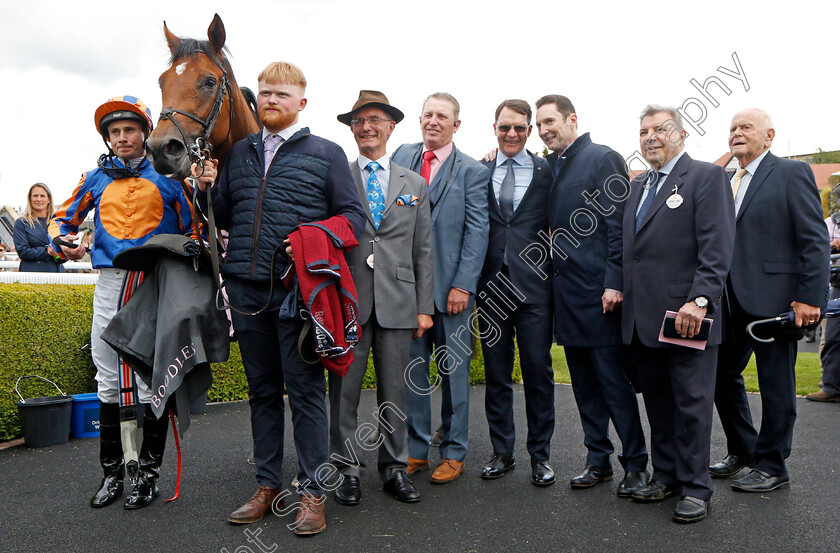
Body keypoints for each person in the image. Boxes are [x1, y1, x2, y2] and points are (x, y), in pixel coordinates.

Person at [201, 62, 364, 535]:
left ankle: (313, 493)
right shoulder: (238, 153)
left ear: (301, 103)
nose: (271, 101)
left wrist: (313, 235)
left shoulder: (327, 152)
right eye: (266, 93)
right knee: (263, 394)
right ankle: (267, 484)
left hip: (299, 294)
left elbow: (352, 220)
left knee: (308, 394)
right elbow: (223, 215)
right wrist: (205, 187)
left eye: (281, 95)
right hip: (246, 290)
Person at [50, 95, 212, 510]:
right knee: (107, 377)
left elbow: (199, 229)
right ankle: (113, 473)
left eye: (129, 130)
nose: (122, 138)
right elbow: (61, 219)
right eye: (114, 132)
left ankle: (148, 474)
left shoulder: (171, 178)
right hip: (108, 282)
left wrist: (202, 188)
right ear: (108, 138)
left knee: (148, 377)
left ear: (144, 134)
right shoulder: (94, 178)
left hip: (153, 283)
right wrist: (62, 243)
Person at [622, 105, 734, 523]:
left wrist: (700, 300)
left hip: (687, 315)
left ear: (682, 134)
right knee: (660, 403)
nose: (651, 137)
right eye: (644, 130)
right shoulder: (638, 187)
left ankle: (696, 487)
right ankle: (666, 475)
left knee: (692, 403)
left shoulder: (706, 177)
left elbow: (717, 246)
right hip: (642, 319)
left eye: (661, 129)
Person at [536, 94, 648, 495]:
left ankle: (635, 464)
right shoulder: (550, 165)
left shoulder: (603, 157)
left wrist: (614, 281)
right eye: (540, 125)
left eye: (551, 121)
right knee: (583, 386)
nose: (545, 130)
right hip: (564, 296)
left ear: (572, 119)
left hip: (600, 296)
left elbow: (620, 226)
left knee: (613, 385)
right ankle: (597, 459)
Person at [712, 109, 829, 491]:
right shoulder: (727, 179)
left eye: (746, 127)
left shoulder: (790, 173)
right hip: (726, 302)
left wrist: (810, 298)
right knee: (719, 375)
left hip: (776, 302)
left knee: (776, 383)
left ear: (769, 135)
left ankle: (773, 465)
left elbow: (813, 239)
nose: (737, 133)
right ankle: (744, 449)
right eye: (732, 128)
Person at [329, 90, 434, 506]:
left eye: (374, 120)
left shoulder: (416, 184)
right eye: (358, 122)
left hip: (399, 301)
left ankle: (394, 468)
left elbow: (423, 249)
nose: (366, 128)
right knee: (344, 392)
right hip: (349, 301)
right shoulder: (338, 177)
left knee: (397, 391)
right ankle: (345, 470)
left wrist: (424, 307)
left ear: (391, 127)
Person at [392, 93, 489, 484]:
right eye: (428, 114)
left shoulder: (472, 172)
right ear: (419, 119)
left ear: (456, 125)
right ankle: (415, 451)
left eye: (442, 116)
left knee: (455, 376)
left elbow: (478, 231)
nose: (434, 121)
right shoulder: (401, 156)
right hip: (409, 291)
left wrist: (463, 285)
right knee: (413, 373)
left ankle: (454, 451)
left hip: (452, 292)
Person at [476, 99, 555, 487]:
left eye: (520, 128)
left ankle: (540, 457)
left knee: (539, 373)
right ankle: (501, 452)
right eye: (505, 127)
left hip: (535, 289)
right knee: (496, 374)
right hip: (491, 288)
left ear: (530, 131)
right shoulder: (479, 169)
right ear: (495, 127)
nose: (511, 134)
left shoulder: (548, 171)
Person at [808, 212, 840, 402]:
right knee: (832, 336)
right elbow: (816, 246)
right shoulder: (831, 222)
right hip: (837, 284)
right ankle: (831, 386)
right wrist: (833, 245)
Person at [13, 183, 65, 272]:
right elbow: (23, 251)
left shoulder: (58, 223)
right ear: (30, 199)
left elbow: (65, 255)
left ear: (49, 199)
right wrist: (48, 251)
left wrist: (57, 255)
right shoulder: (21, 223)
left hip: (56, 273)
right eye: (35, 196)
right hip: (31, 273)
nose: (38, 199)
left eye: (42, 196)